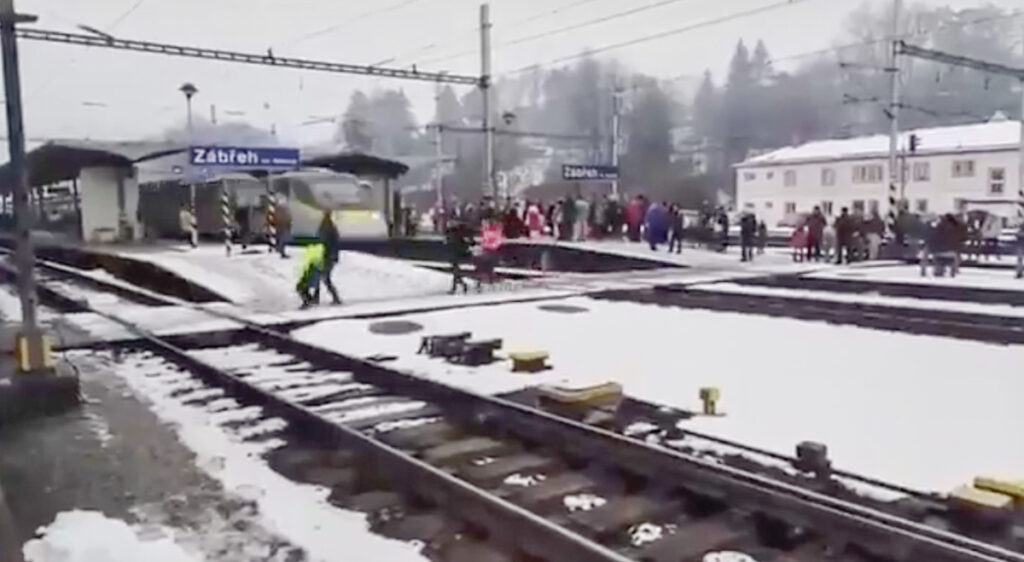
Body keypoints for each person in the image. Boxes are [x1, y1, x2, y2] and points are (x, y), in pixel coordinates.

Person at [316, 212, 342, 305]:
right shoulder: (329, 228)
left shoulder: (326, 228)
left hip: (327, 257)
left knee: (324, 278)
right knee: (321, 278)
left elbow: (326, 243)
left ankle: (335, 298)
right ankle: (317, 298)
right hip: (327, 256)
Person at [445, 219, 474, 294]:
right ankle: (462, 285)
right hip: (455, 253)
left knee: (456, 271)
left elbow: (469, 242)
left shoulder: (457, 232)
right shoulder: (454, 232)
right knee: (456, 271)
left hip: (457, 253)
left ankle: (456, 287)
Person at [477, 217, 504, 289]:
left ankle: (488, 276)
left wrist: (489, 246)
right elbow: (484, 240)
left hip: (492, 251)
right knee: (485, 260)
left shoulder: (495, 231)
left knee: (487, 260)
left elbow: (498, 241)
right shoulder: (488, 231)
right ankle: (487, 276)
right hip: (489, 250)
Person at [296, 243, 325, 309]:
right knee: (302, 287)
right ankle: (311, 300)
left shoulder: (316, 250)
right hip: (312, 270)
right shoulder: (316, 248)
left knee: (300, 287)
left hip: (312, 271)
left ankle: (308, 302)